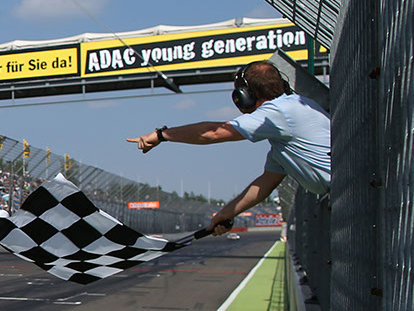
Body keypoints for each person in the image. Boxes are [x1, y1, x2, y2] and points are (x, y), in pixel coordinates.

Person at [128, 60, 330, 235]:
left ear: (245, 96)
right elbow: (266, 183)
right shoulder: (289, 121)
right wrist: (226, 214)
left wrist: (161, 135)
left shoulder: (278, 112)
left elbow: (213, 132)